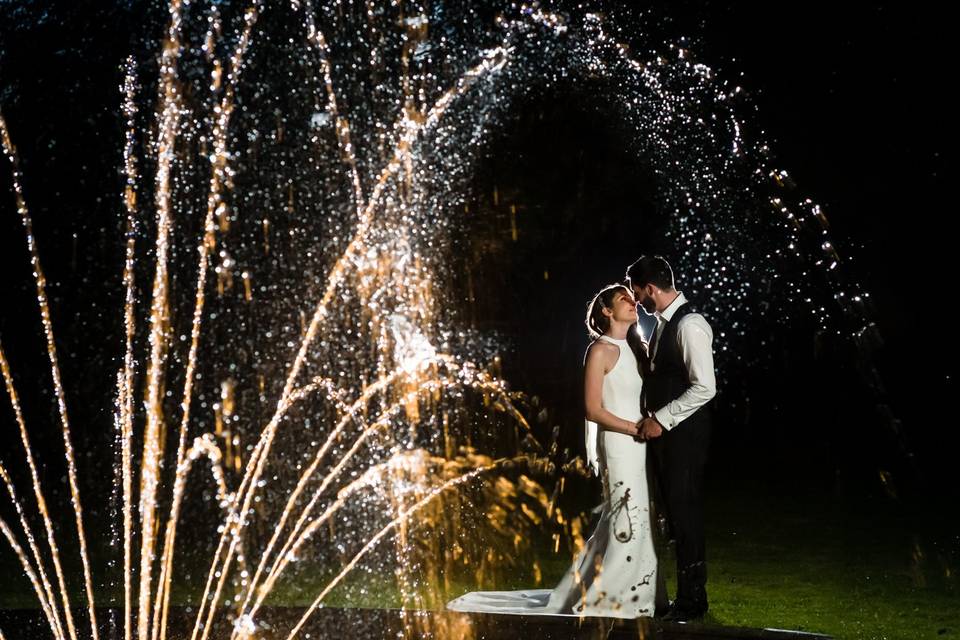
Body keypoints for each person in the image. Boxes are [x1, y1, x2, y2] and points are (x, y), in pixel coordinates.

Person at [447, 284, 657, 618]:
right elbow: (592, 409)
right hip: (619, 443)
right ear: (606, 311)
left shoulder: (638, 347)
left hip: (641, 445)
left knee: (631, 517)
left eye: (632, 299)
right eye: (623, 299)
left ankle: (629, 588)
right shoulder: (600, 351)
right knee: (625, 517)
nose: (633, 303)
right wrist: (635, 428)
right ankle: (615, 597)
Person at [627, 255, 716, 623]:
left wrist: (661, 420)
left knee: (685, 511)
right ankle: (685, 596)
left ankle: (693, 599)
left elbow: (705, 387)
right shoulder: (663, 324)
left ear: (650, 288)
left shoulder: (689, 324)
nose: (635, 300)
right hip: (670, 436)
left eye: (636, 291)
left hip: (685, 435)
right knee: (676, 511)